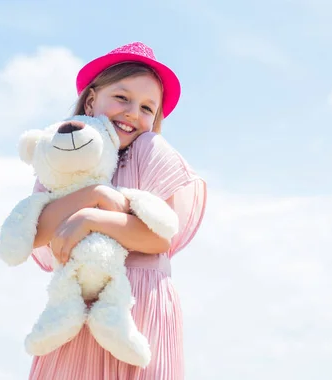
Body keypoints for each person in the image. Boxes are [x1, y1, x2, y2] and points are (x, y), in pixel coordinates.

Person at [27, 42, 207, 379]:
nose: (132, 113)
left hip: (139, 308)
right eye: (122, 98)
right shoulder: (62, 153)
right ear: (92, 99)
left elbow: (158, 239)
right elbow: (35, 232)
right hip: (77, 308)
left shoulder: (149, 150)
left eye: (146, 108)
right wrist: (94, 194)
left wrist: (92, 218)